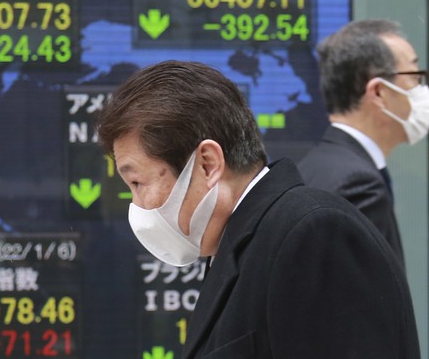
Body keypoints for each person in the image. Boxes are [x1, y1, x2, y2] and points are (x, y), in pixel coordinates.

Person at [96, 60, 420, 358]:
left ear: (208, 164)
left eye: (137, 183)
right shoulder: (242, 246)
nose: (137, 205)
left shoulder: (314, 234)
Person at [298, 19, 429, 266]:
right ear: (379, 92)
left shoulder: (317, 165)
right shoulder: (358, 185)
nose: (422, 90)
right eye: (415, 76)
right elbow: (366, 299)